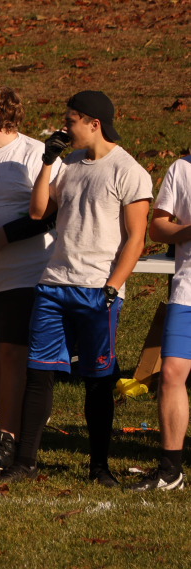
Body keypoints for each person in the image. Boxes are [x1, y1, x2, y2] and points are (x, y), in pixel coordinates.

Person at [0, 91, 152, 487]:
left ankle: (99, 467)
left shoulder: (128, 170)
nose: (64, 128)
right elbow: (37, 212)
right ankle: (26, 462)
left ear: (93, 123)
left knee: (98, 379)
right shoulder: (68, 164)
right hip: (53, 287)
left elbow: (136, 238)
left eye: (71, 122)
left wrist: (113, 288)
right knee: (40, 374)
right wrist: (47, 161)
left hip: (97, 291)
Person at [0, 84, 61, 472]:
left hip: (27, 274)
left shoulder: (34, 154)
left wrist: (10, 233)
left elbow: (53, 211)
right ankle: (5, 438)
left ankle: (12, 442)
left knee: (15, 356)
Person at [129, 156, 191, 491]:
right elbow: (157, 228)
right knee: (170, 373)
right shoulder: (182, 168)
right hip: (187, 292)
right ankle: (170, 472)